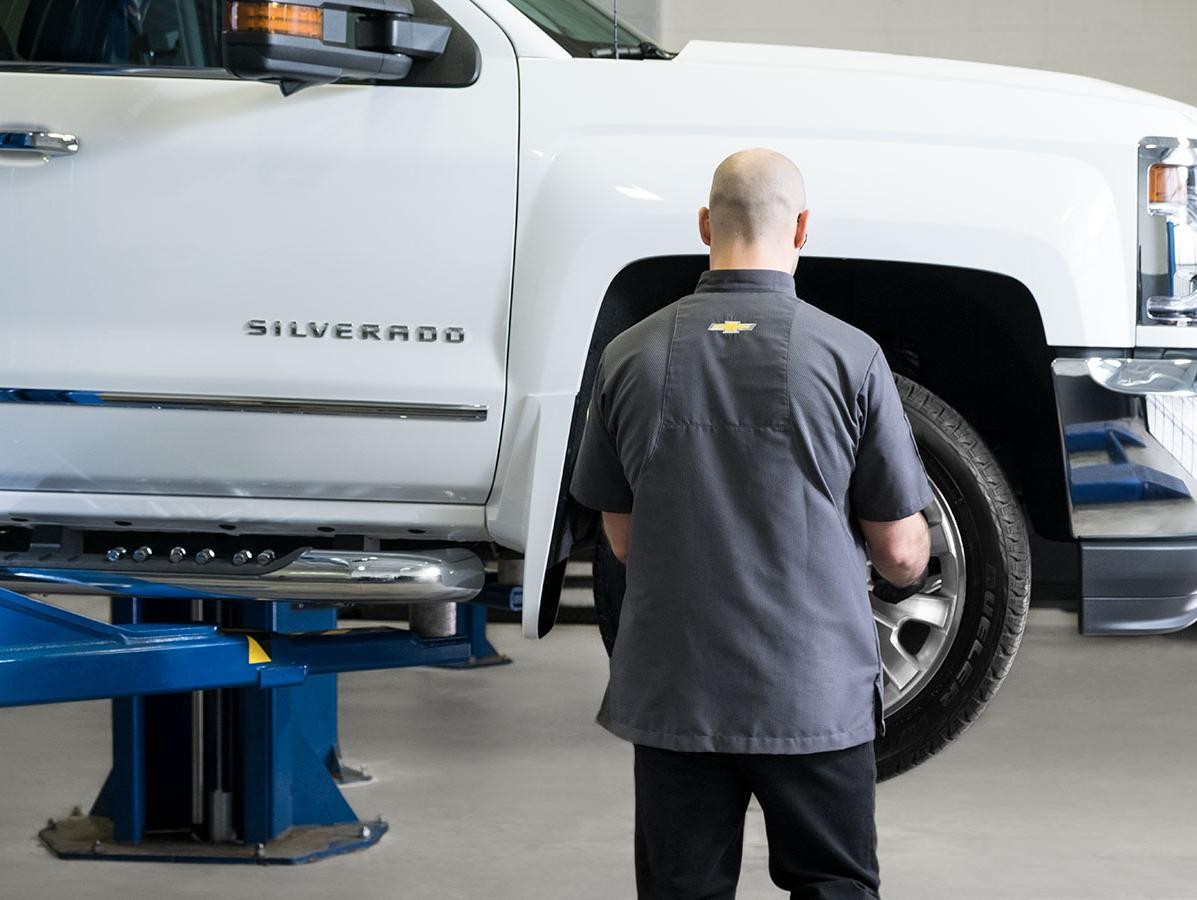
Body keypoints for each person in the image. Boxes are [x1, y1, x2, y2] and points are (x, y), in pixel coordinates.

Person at [569, 148, 933, 899]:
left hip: (678, 691)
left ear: (704, 224)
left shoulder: (627, 354)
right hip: (812, 691)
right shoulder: (849, 356)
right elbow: (900, 553)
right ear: (802, 227)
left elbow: (622, 538)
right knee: (832, 884)